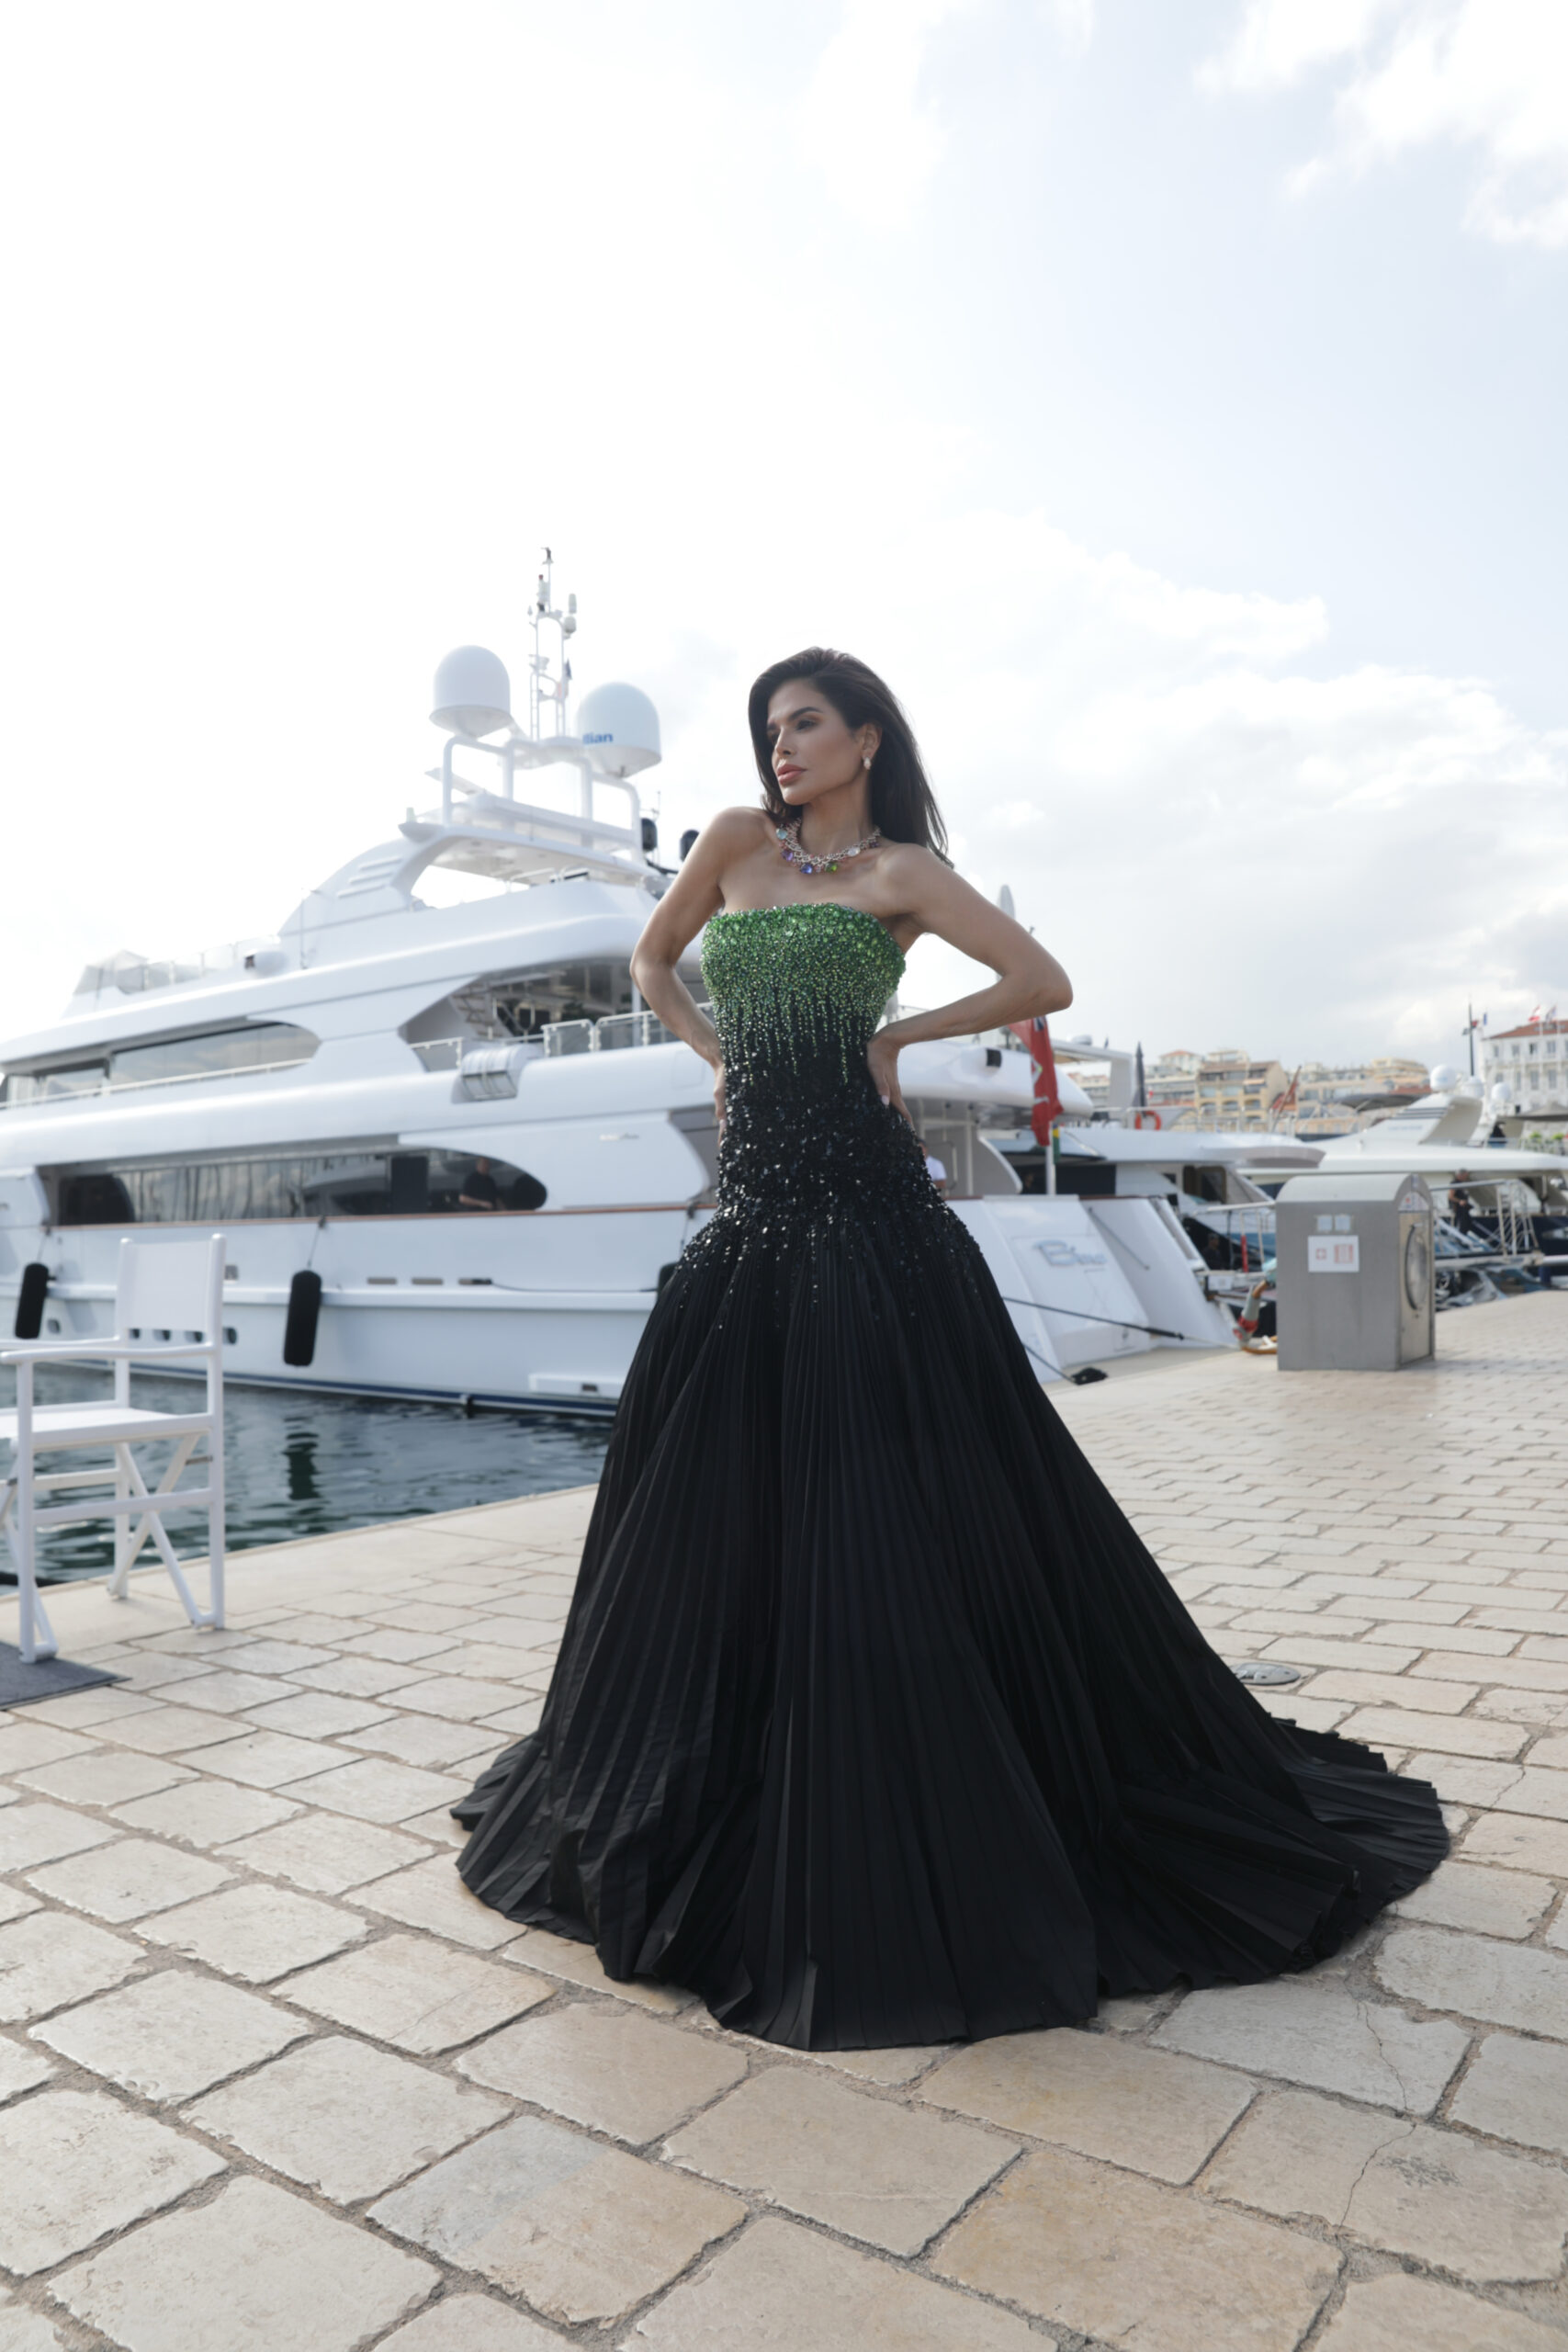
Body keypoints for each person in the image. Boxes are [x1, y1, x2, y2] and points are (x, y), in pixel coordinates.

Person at [454, 648, 1447, 2051]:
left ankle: (916, 1765)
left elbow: (1041, 978)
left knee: (898, 1491)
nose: (780, 749)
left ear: (864, 736)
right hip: (753, 1209)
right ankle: (723, 1761)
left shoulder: (904, 877)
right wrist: (716, 1057)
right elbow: (653, 958)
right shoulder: (737, 844)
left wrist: (900, 1037)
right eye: (767, 729)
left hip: (864, 1198)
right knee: (728, 1501)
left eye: (804, 725)